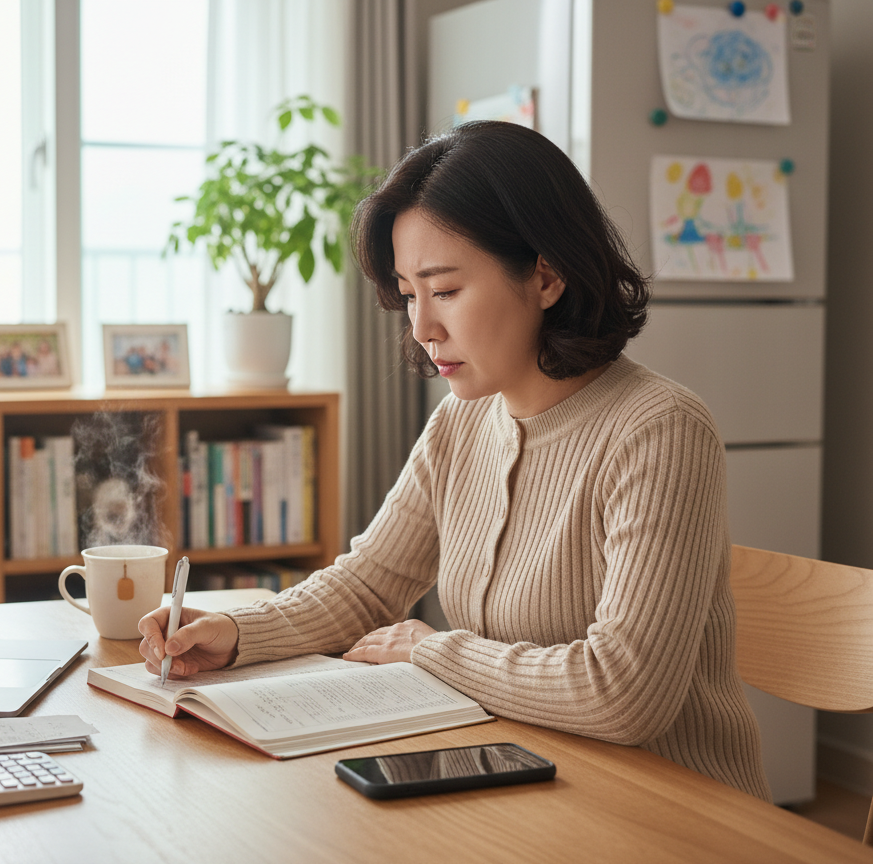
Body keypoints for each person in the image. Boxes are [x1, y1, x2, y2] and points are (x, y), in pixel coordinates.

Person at [138, 121, 771, 801]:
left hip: (671, 812)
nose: (421, 327)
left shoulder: (659, 430)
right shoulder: (463, 421)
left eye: (445, 291)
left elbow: (623, 693)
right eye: (409, 294)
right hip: (525, 782)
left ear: (546, 275)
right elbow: (367, 587)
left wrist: (429, 649)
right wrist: (235, 632)